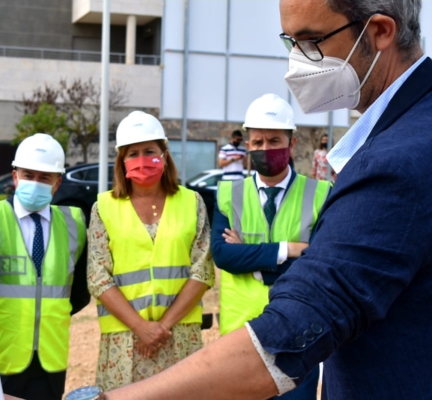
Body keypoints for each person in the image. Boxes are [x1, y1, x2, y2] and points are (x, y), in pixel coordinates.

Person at [100, 0, 432, 399]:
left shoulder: (398, 160)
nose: (296, 64)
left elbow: (304, 318)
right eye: (290, 42)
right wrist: (292, 252)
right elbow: (227, 256)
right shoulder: (407, 132)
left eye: (311, 41)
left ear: (379, 32)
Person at [212, 94, 331, 399]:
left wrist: (249, 258)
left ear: (291, 144)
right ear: (248, 145)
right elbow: (224, 255)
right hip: (241, 333)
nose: (266, 149)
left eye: (275, 140)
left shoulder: (321, 194)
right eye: (258, 142)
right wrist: (288, 249)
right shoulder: (228, 194)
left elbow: (319, 261)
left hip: (299, 332)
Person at [87, 111, 214, 391]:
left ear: (164, 156)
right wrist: (141, 328)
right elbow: (98, 277)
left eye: (149, 151)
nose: (142, 160)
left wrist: (161, 327)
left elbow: (202, 271)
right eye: (133, 154)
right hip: (125, 339)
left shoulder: (192, 202)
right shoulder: (104, 208)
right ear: (122, 161)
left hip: (178, 334)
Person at [0, 133, 90, 400]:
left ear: (57, 184)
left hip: (50, 361)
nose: (35, 183)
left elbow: (79, 292)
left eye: (44, 178)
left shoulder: (74, 223)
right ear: (15, 177)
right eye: (28, 175)